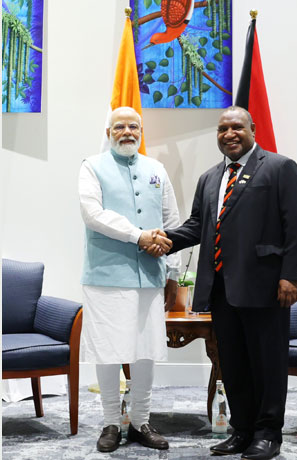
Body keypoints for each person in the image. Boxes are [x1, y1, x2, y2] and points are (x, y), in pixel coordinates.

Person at [160, 106, 297, 460]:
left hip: (267, 286)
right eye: (222, 128)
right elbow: (198, 226)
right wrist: (163, 239)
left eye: (236, 127)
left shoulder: (279, 168)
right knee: (234, 364)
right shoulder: (210, 178)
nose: (229, 134)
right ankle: (242, 431)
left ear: (252, 129)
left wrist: (291, 275)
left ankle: (269, 434)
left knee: (267, 363)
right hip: (222, 289)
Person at [78, 106, 179, 453]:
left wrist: (174, 270)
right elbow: (93, 215)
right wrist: (138, 236)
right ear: (108, 133)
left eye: (133, 126)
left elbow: (172, 221)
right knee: (108, 350)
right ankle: (110, 423)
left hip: (150, 276)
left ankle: (140, 421)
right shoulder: (92, 166)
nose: (127, 132)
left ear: (141, 131)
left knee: (146, 351)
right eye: (119, 127)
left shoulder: (156, 169)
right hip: (106, 276)